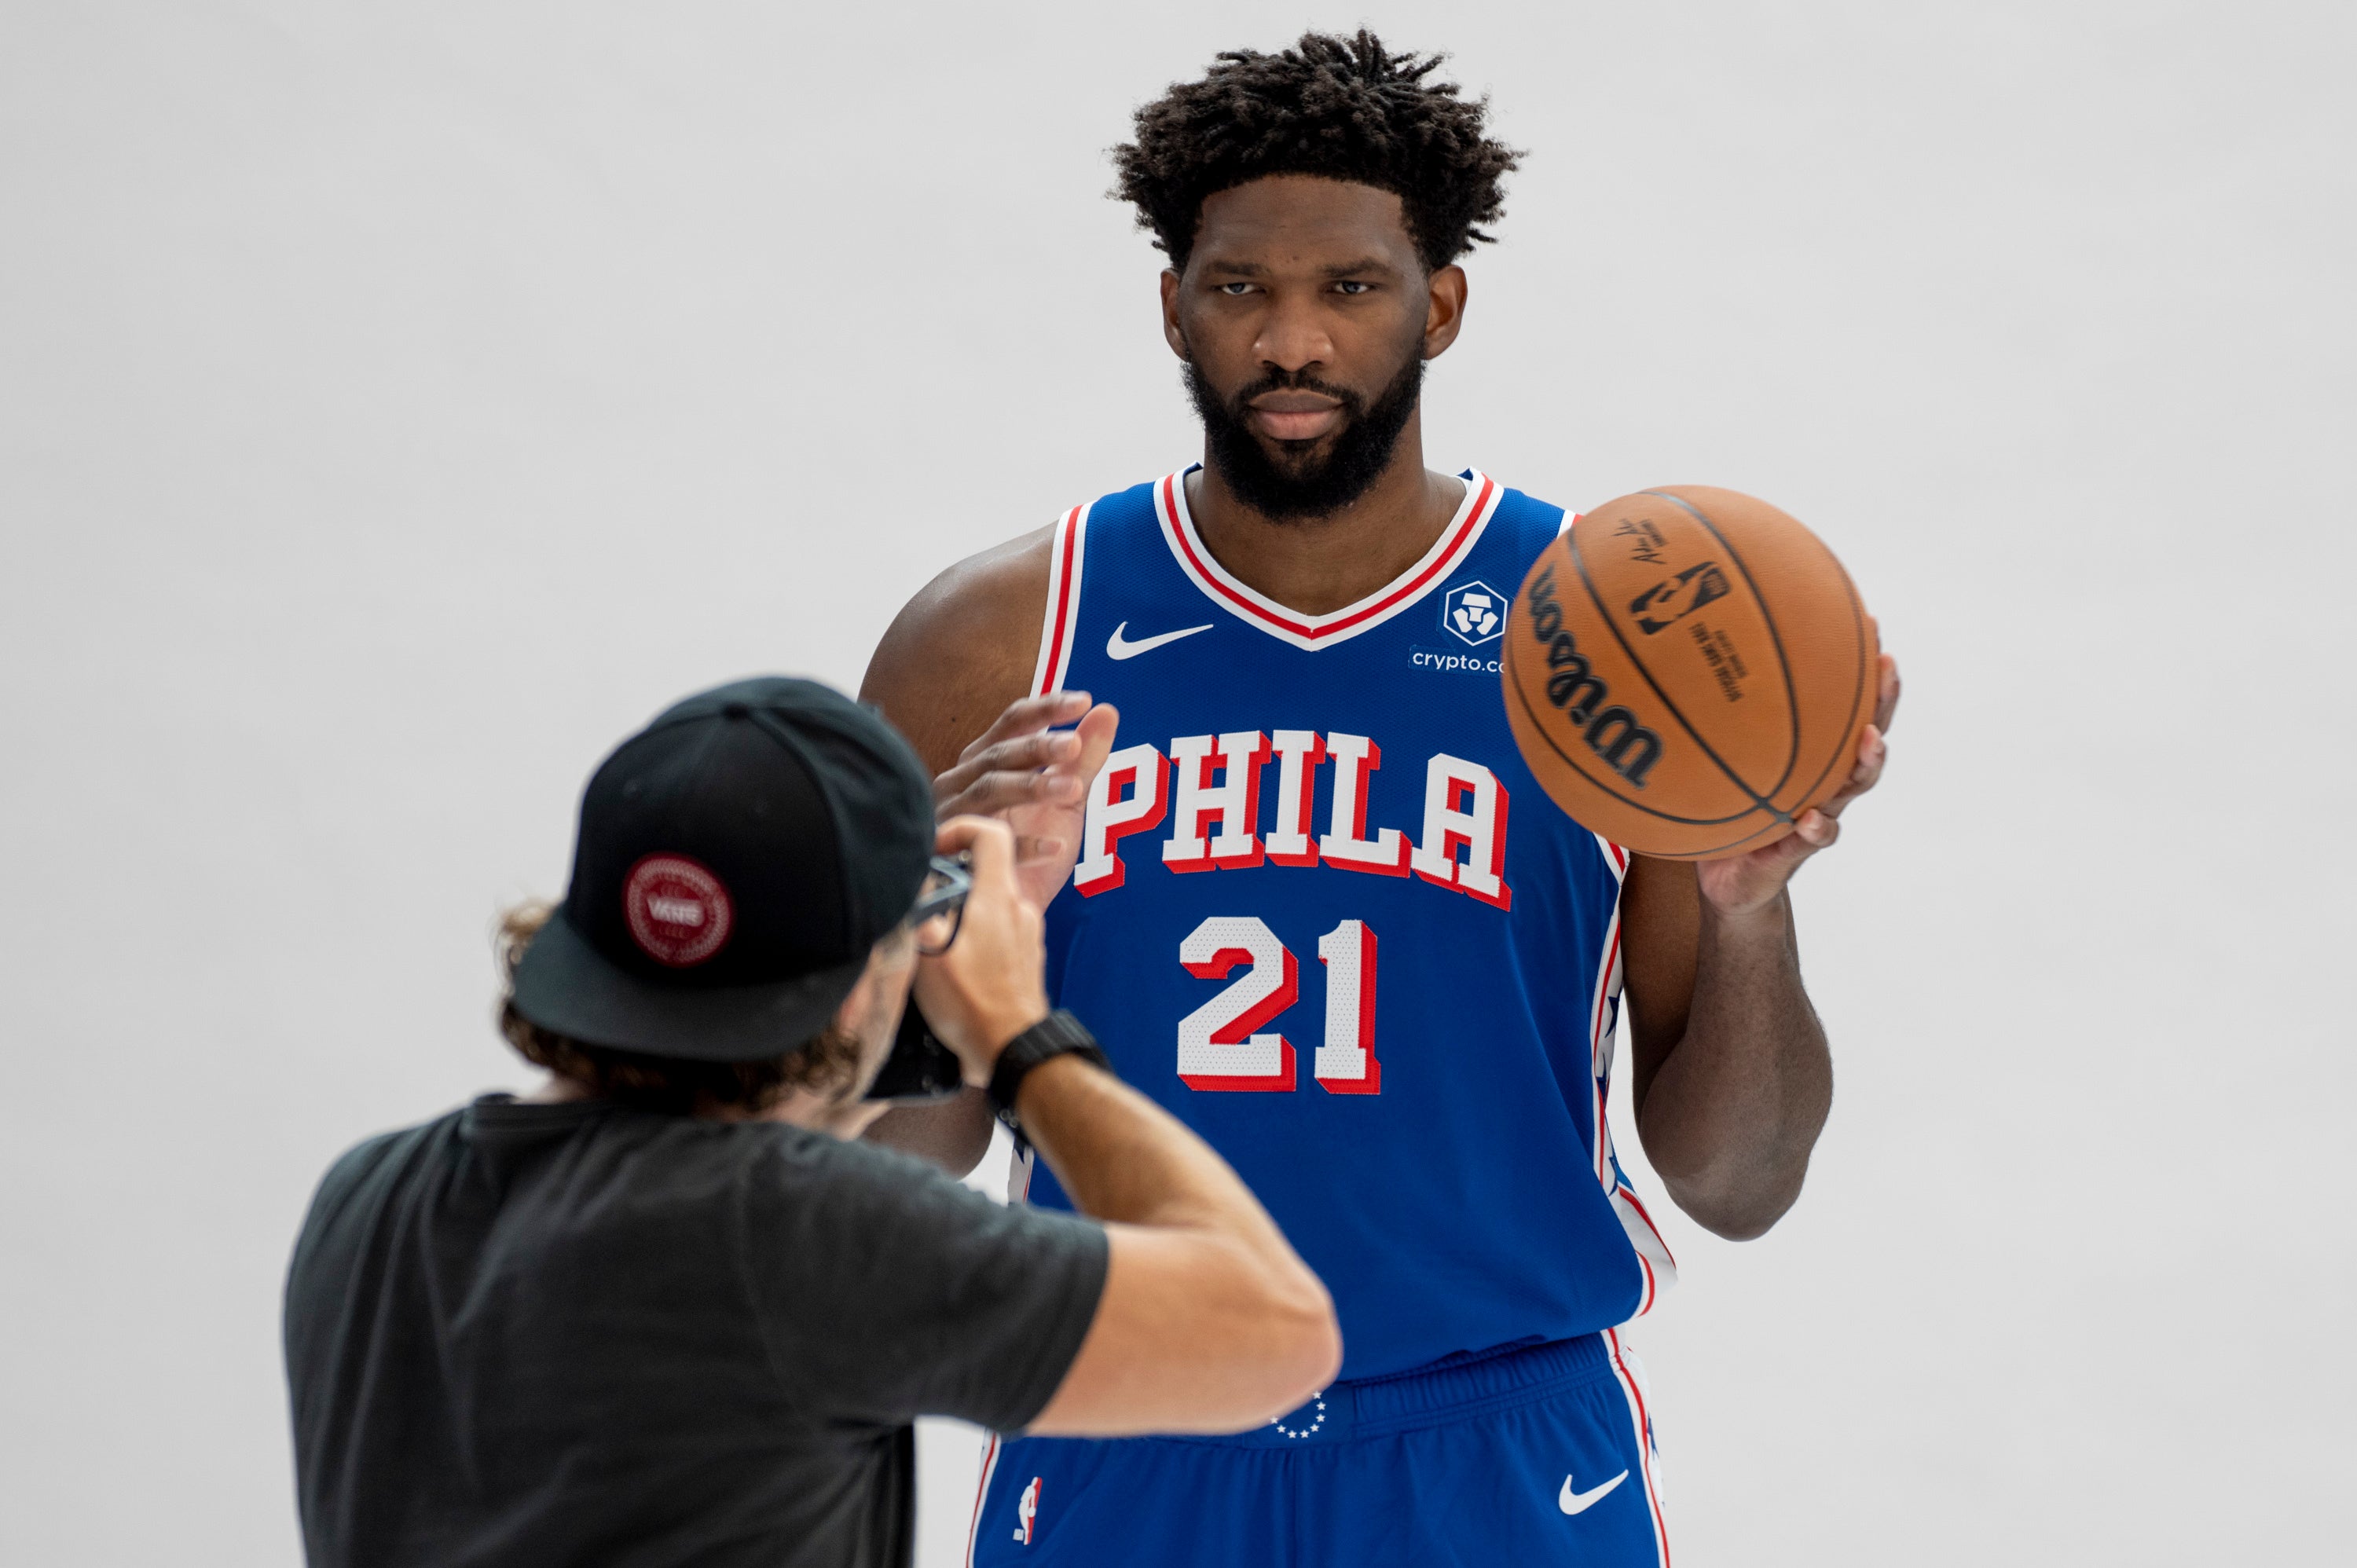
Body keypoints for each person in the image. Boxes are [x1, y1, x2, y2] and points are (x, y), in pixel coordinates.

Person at [860, 31, 1901, 1567]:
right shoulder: (1001, 640)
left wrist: (1752, 911)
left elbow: (1739, 1183)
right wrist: (967, 935)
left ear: (1442, 303)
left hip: (1499, 1452)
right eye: (1240, 289)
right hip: (1121, 1439)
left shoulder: (1607, 643)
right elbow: (887, 1188)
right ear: (1173, 307)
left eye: (1349, 286)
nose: (1293, 340)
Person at [280, 676, 1340, 1568]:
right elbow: (1278, 1335)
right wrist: (1019, 1039)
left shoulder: (372, 1199)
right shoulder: (800, 1234)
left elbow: (712, 1168)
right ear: (857, 991)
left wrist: (894, 984)